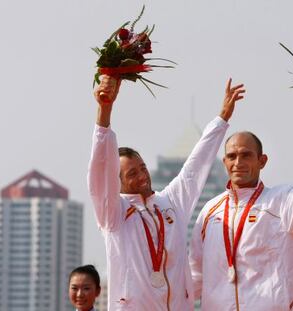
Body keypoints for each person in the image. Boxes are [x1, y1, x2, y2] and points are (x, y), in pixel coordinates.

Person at [88, 75, 245, 310]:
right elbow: (100, 172)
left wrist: (222, 118)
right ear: (117, 183)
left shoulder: (170, 202)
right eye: (132, 174)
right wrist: (104, 112)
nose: (142, 176)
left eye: (142, 168)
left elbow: (196, 165)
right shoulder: (114, 214)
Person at [189, 121, 293, 310]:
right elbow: (193, 276)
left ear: (262, 160)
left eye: (246, 155)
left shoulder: (281, 201)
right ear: (225, 162)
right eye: (232, 156)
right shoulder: (209, 212)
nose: (238, 163)